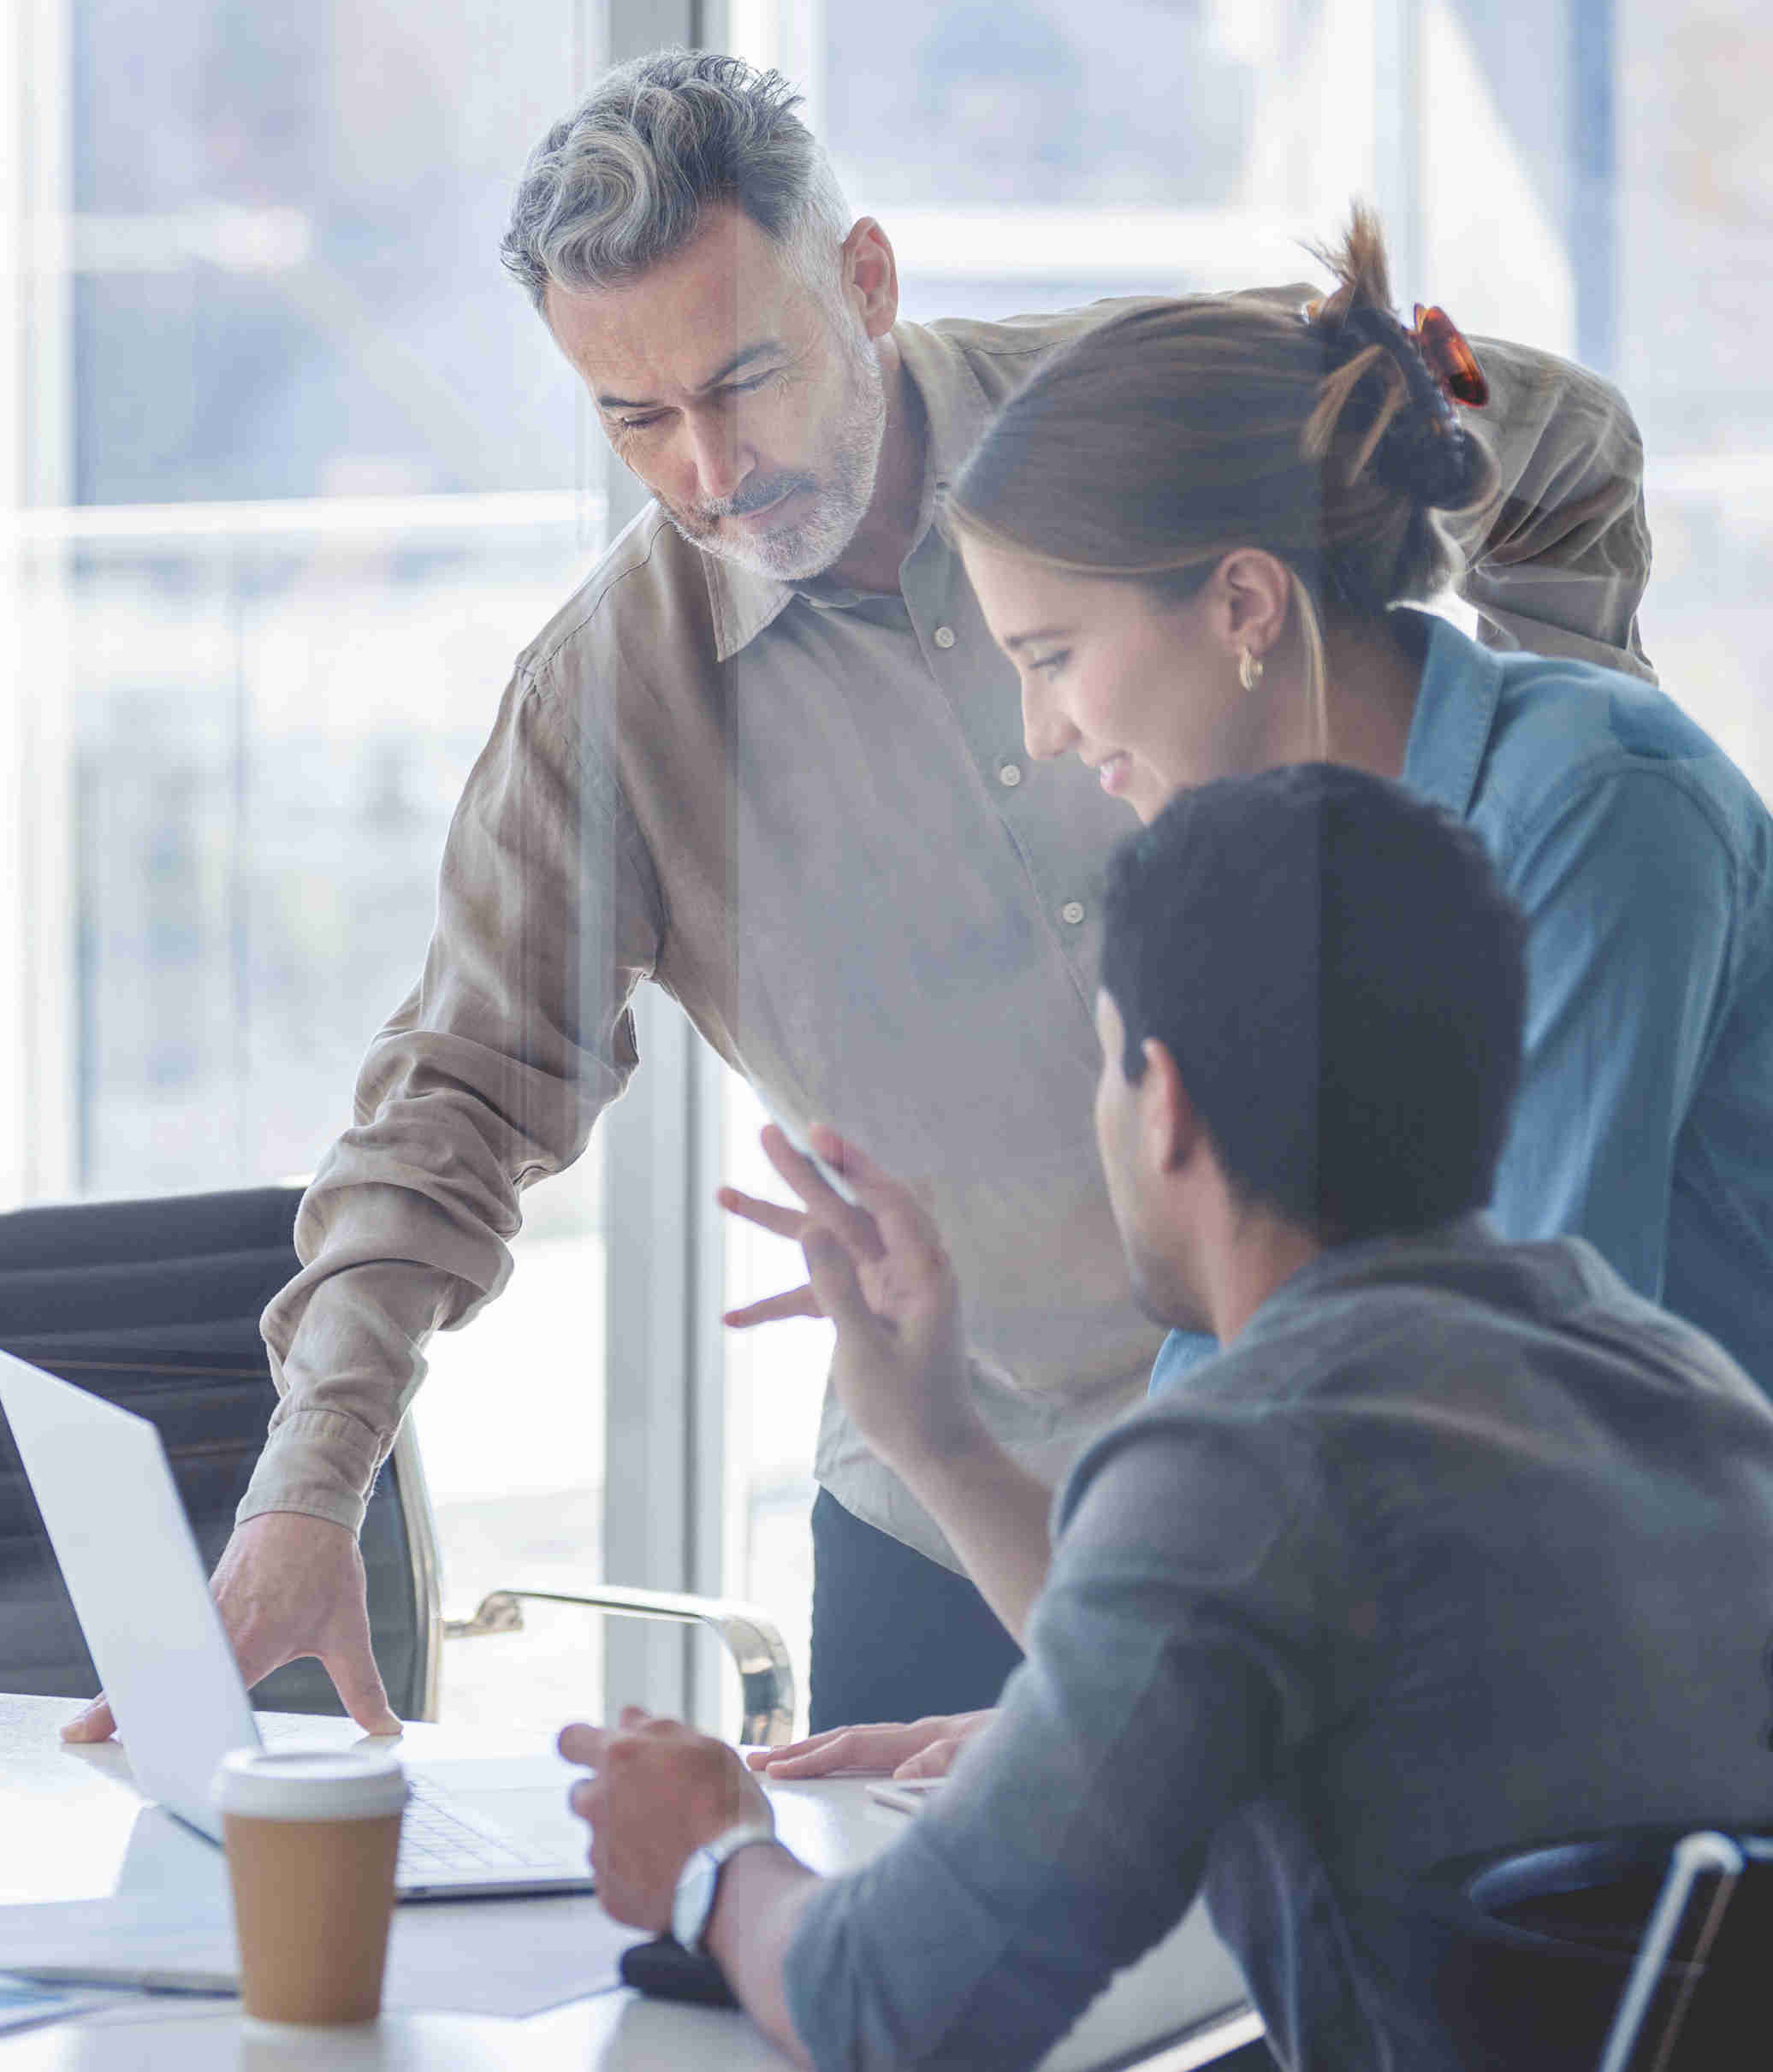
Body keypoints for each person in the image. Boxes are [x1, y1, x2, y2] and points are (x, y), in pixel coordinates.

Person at [63, 56, 1660, 1747]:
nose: (708, 470)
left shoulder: (1147, 419)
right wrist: (308, 1488)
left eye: (743, 379)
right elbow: (448, 1107)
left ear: (869, 283)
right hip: (961, 1519)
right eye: (633, 419)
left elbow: (1546, 422)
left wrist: (1529, 789)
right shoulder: (613, 699)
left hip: (1344, 1453)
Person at [746, 206, 1773, 1780]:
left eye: (1055, 653)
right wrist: (1060, 1706)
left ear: (1241, 608)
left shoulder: (1607, 811)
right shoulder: (1279, 893)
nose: (1039, 732)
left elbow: (1503, 1410)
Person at [562, 766, 1773, 2072]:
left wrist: (707, 1862)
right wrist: (940, 1434)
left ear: (1167, 1099)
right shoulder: (1693, 1400)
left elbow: (896, 2005)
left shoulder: (1249, 1460)